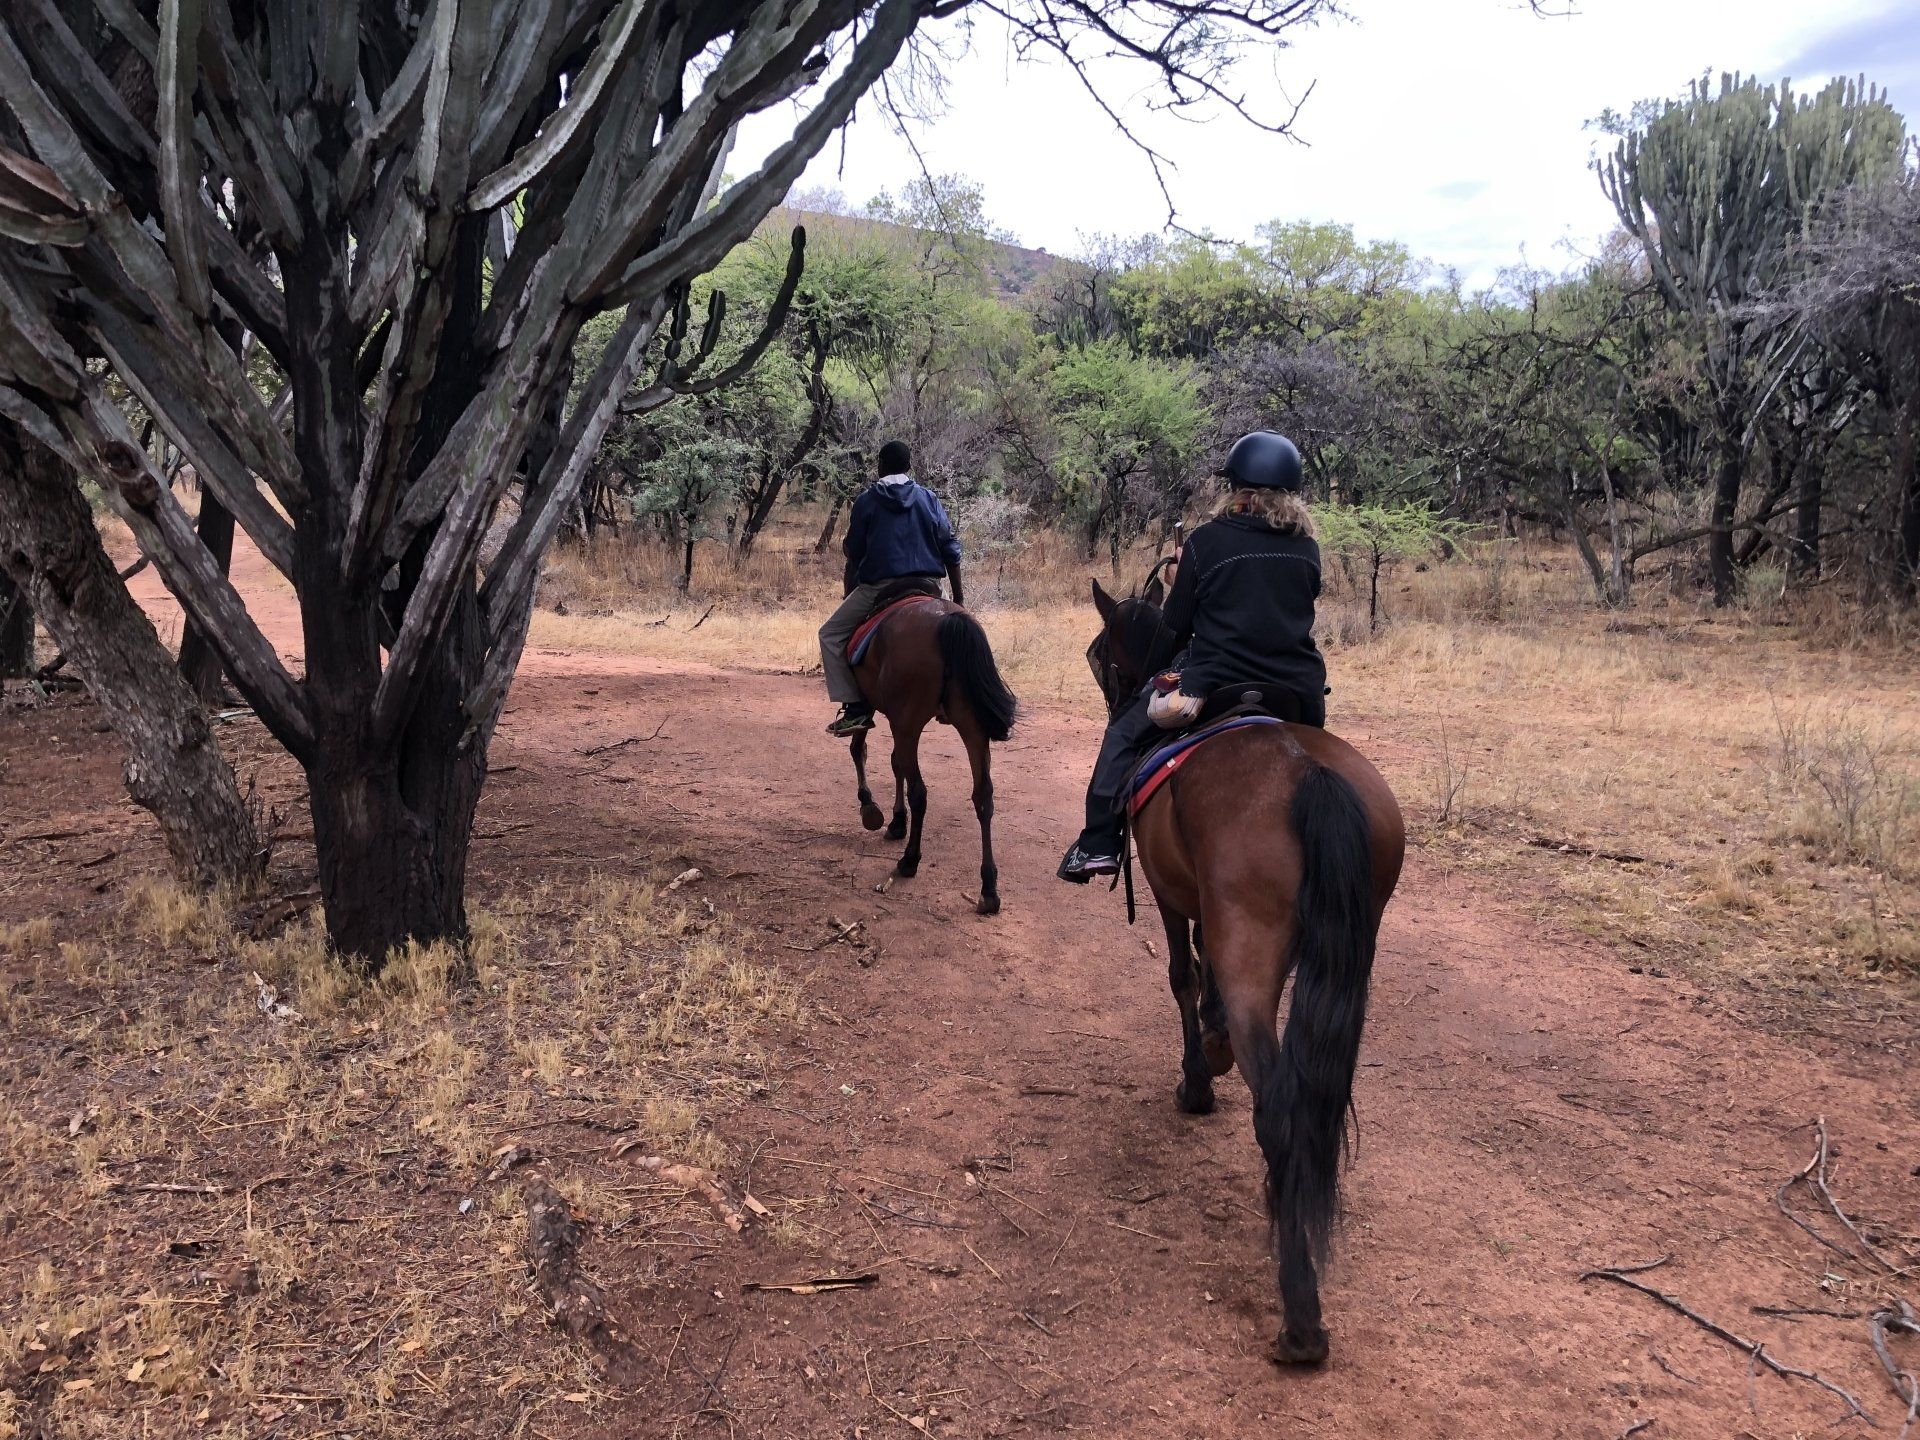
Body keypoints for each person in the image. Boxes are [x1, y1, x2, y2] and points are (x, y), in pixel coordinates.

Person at [1058, 431, 1327, 882]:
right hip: (1296, 689)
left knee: (1122, 733)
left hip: (1216, 681)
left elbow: (1176, 627)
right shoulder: (1307, 547)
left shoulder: (1207, 541)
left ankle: (1098, 844)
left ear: (1236, 487)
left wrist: (1182, 579)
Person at [819, 440, 965, 736]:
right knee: (964, 634)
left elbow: (854, 552)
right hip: (929, 586)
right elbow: (950, 549)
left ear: (880, 466)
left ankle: (855, 708)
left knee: (830, 634)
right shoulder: (929, 498)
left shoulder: (867, 501)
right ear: (909, 466)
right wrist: (959, 599)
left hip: (880, 587)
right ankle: (959, 697)